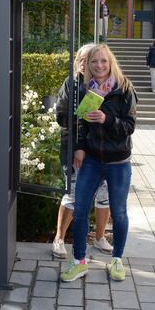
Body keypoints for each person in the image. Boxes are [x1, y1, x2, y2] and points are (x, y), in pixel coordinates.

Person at [60, 43, 137, 283]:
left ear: (110, 62)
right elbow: (80, 123)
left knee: (119, 212)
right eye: (94, 62)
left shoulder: (124, 89)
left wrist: (107, 119)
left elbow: (129, 127)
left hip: (118, 161)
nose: (99, 65)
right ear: (88, 65)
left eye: (103, 61)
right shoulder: (85, 89)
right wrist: (80, 147)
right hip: (92, 159)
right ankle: (79, 261)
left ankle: (116, 260)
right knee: (80, 210)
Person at [53, 43, 113, 260]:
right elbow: (60, 116)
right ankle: (59, 239)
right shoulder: (71, 83)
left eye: (91, 59)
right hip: (74, 149)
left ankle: (99, 237)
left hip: (102, 150)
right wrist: (83, 114)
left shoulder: (105, 83)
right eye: (83, 58)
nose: (87, 63)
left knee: (104, 195)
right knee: (73, 195)